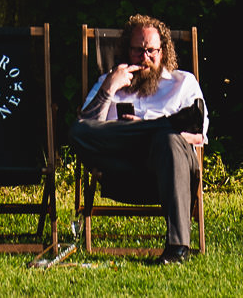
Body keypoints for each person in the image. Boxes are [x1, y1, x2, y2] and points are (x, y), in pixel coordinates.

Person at [67, 14, 206, 264]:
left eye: (151, 51)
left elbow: (199, 135)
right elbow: (85, 129)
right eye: (137, 51)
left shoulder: (183, 83)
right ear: (125, 50)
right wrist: (110, 88)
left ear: (162, 52)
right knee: (78, 131)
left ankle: (177, 248)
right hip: (121, 167)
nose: (145, 58)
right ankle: (160, 127)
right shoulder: (108, 82)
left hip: (168, 167)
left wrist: (156, 132)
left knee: (168, 139)